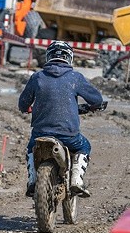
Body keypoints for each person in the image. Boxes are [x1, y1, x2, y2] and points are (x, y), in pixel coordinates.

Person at [18, 41, 105, 198]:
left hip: (40, 133)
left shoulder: (37, 77)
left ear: (49, 56)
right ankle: (76, 180)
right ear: (69, 58)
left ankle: (32, 180)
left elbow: (23, 103)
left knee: (31, 149)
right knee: (84, 146)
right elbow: (97, 100)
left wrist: (27, 108)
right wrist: (93, 106)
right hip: (68, 135)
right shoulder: (75, 78)